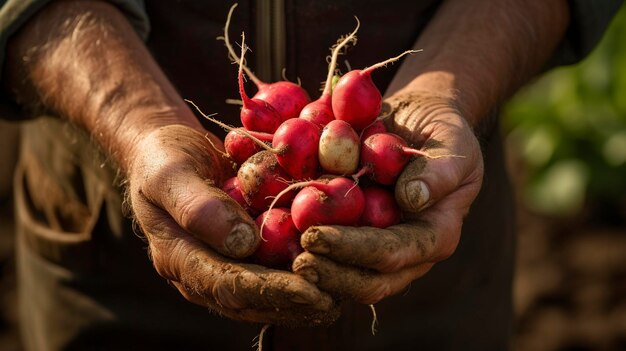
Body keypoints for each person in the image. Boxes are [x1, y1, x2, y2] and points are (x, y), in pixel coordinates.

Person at [0, 0, 621, 350]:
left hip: (437, 286)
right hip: (114, 266)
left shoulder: (367, 164)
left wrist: (447, 87)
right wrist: (136, 121)